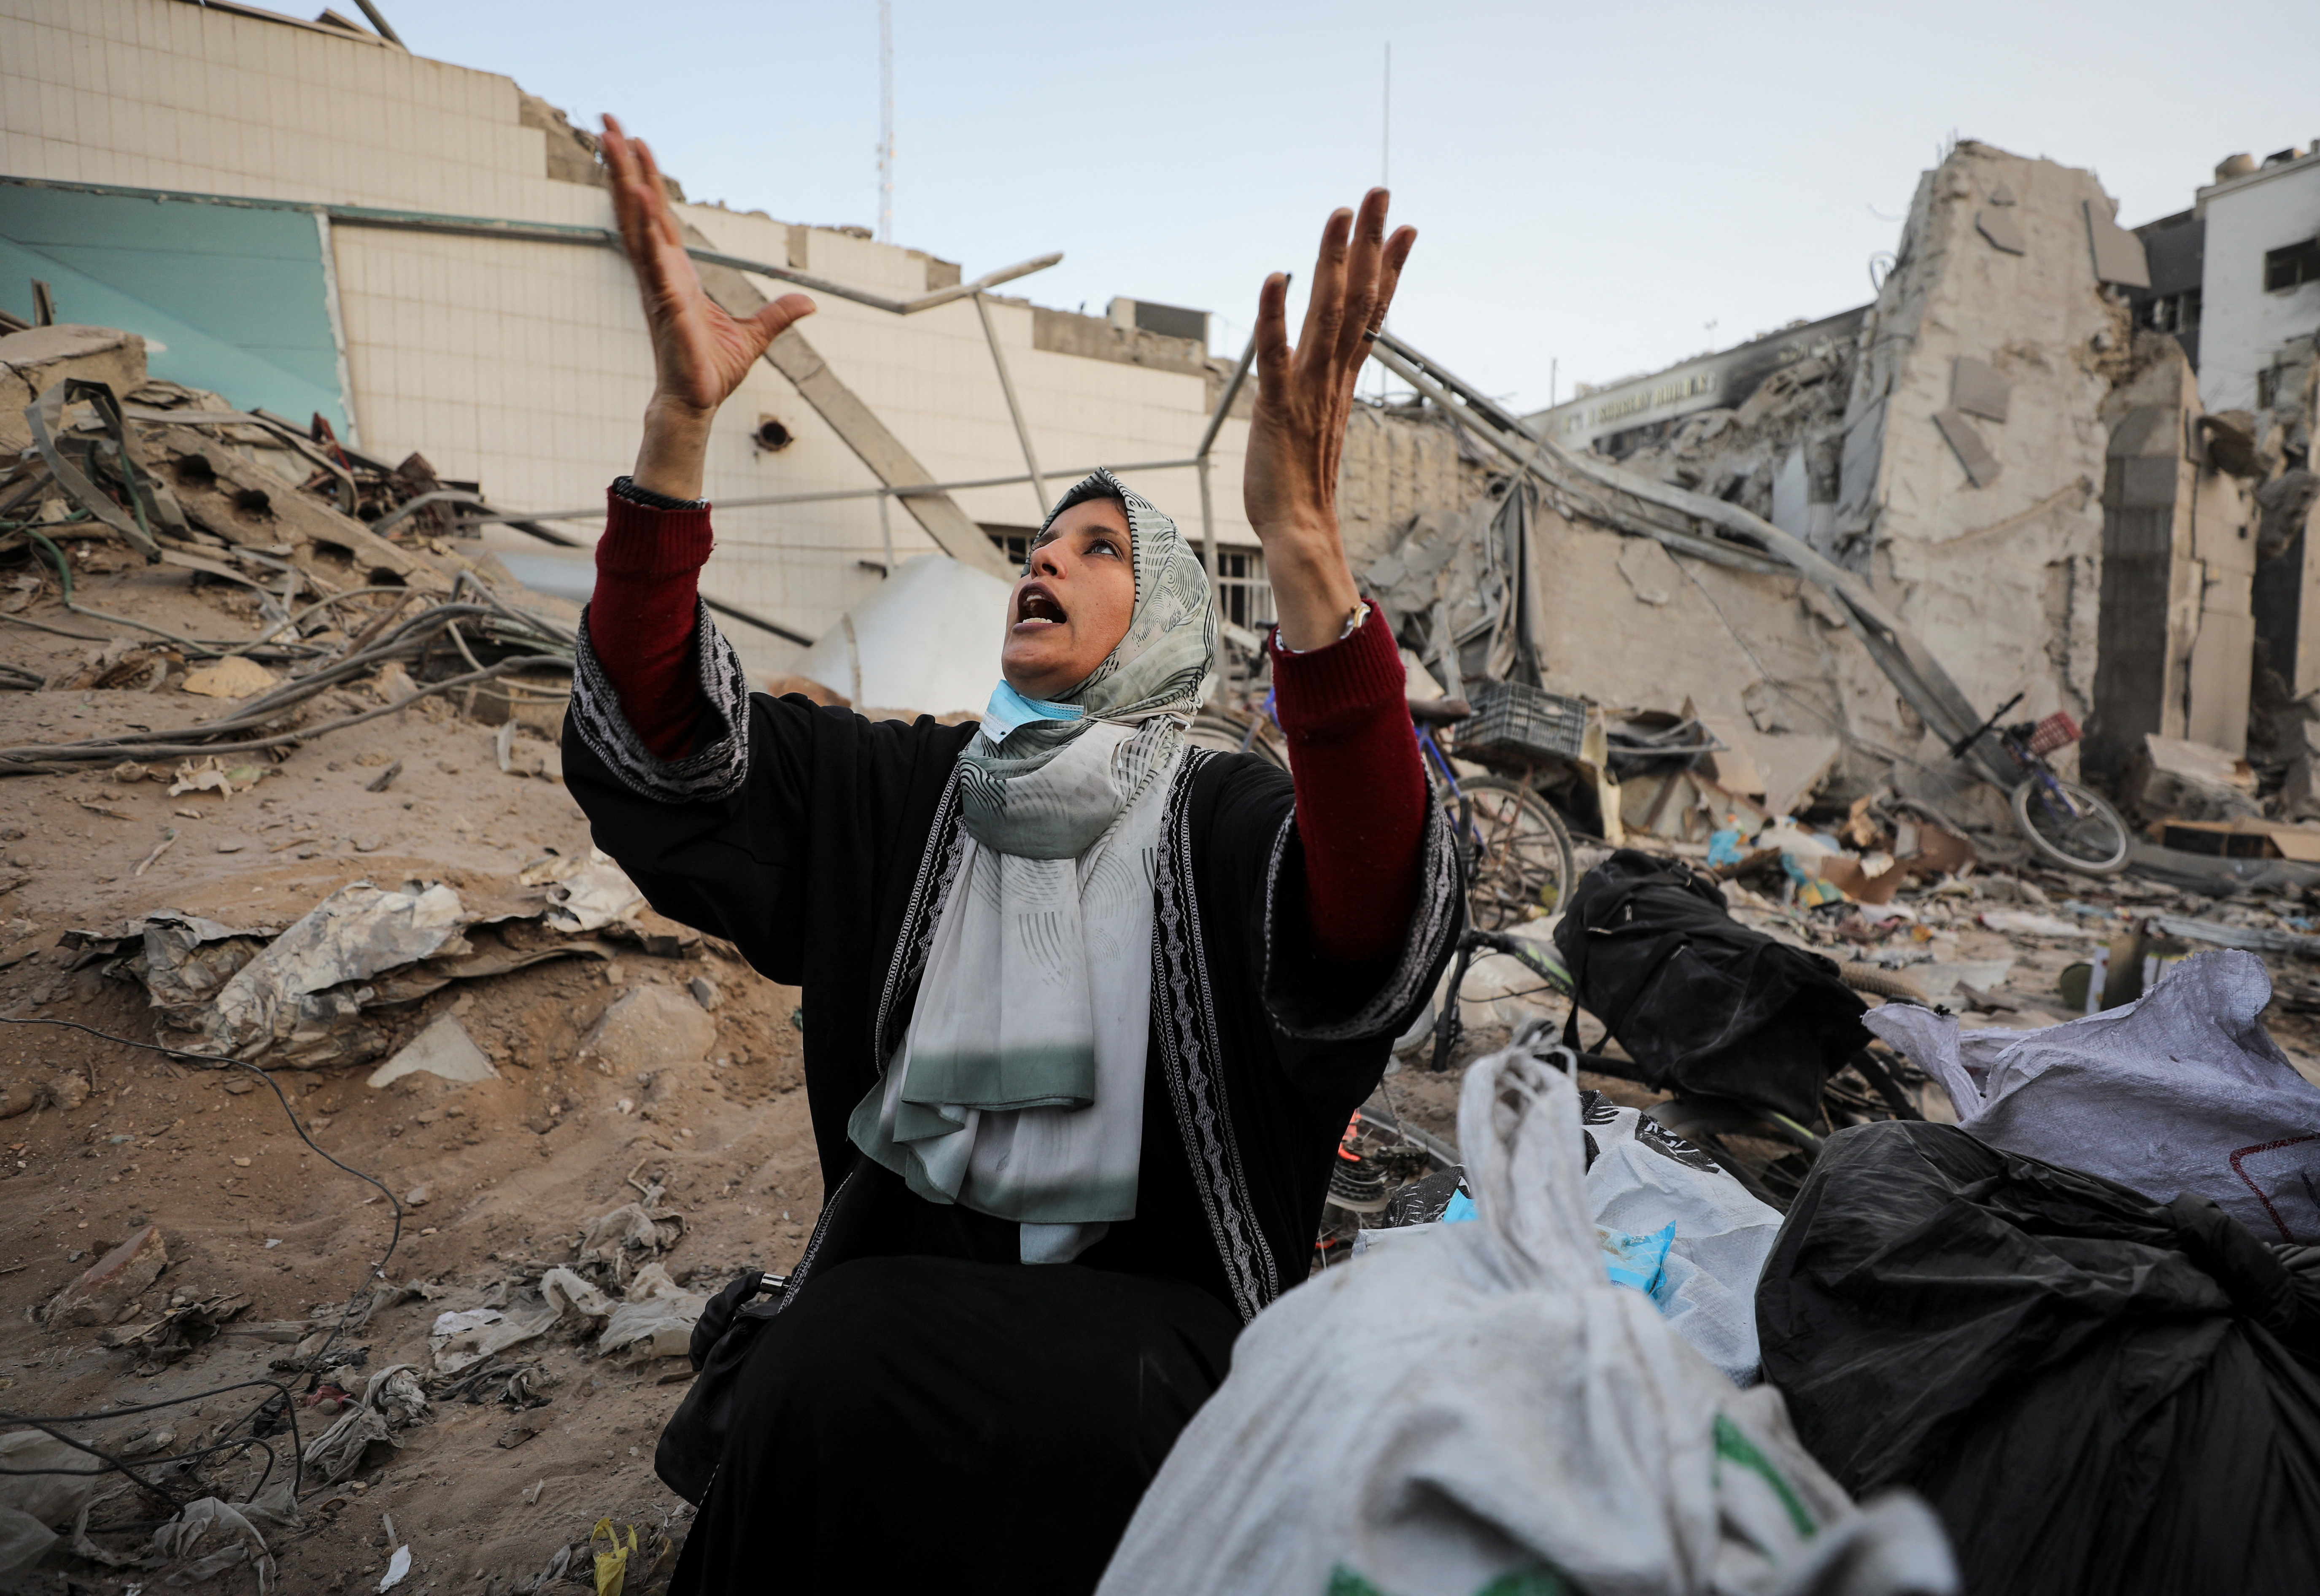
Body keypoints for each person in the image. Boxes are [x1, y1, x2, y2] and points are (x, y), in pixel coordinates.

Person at [567, 116, 1463, 1594]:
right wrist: (676, 439)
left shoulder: (1218, 815)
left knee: (1092, 1408)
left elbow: (1369, 916)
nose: (1044, 558)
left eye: (1099, 548)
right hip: (886, 1308)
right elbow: (667, 740)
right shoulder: (907, 790)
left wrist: (1303, 551)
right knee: (811, 1371)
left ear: (1170, 622)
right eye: (1039, 542)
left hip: (1158, 1344)